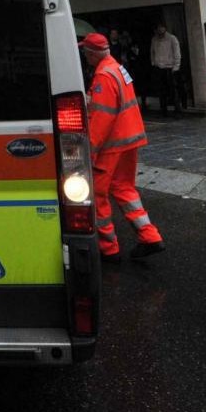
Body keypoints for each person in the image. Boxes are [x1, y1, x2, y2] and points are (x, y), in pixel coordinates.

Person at [79, 32, 164, 261]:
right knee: (124, 188)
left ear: (92, 53)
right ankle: (149, 235)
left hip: (112, 144)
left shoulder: (103, 77)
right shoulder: (116, 68)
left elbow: (101, 118)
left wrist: (91, 151)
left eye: (85, 52)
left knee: (97, 194)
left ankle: (108, 248)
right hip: (129, 139)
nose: (84, 56)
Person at [149, 23, 182, 116]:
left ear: (165, 28)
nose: (160, 30)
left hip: (170, 67)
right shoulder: (154, 39)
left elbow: (177, 52)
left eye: (162, 28)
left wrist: (176, 66)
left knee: (173, 90)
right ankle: (163, 109)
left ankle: (177, 109)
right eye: (158, 28)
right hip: (159, 67)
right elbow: (152, 52)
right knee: (161, 90)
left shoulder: (172, 39)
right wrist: (153, 62)